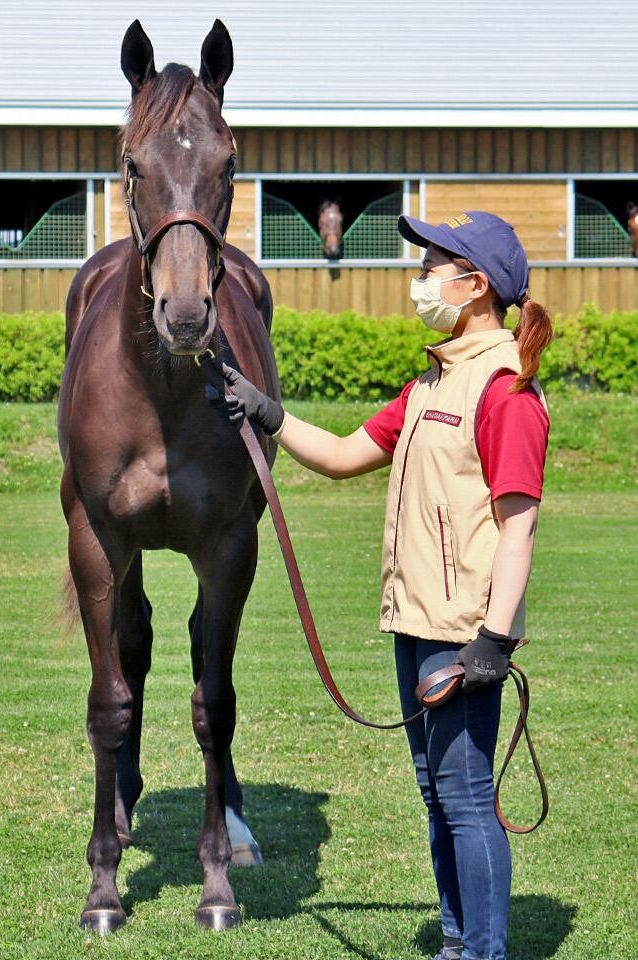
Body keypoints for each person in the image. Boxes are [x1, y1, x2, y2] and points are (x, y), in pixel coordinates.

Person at [212, 211, 553, 960]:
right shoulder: (432, 383)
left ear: (475, 284)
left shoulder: (506, 390)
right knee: (438, 795)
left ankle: (483, 953)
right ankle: (457, 942)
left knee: (467, 800)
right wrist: (267, 412)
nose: (421, 279)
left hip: (464, 633)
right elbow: (342, 455)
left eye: (433, 267)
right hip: (415, 622)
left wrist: (495, 637)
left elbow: (519, 526)